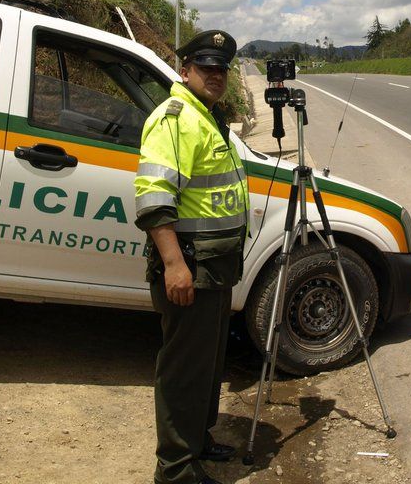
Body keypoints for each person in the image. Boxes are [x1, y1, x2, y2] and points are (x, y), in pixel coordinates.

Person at [135, 30, 249, 484]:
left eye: (221, 69)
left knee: (208, 363)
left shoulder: (207, 117)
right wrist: (174, 265)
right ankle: (177, 467)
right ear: (185, 71)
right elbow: (153, 198)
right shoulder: (175, 118)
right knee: (184, 369)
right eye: (206, 68)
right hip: (190, 268)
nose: (215, 76)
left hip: (215, 269)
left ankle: (198, 441)